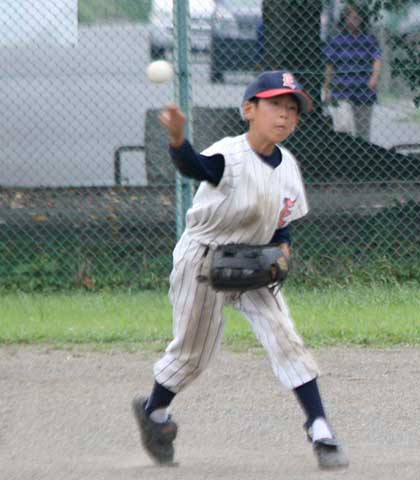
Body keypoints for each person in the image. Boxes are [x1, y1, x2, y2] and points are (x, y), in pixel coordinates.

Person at [131, 70, 349, 471]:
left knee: (285, 337)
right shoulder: (230, 155)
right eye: (275, 105)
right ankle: (155, 413)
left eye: (292, 109)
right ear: (249, 109)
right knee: (193, 353)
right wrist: (177, 138)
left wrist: (283, 248)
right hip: (202, 260)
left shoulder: (288, 167)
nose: (284, 115)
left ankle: (319, 427)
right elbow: (194, 167)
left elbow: (282, 221)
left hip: (255, 261)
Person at [323, 3, 382, 142]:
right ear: (344, 19)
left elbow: (377, 59)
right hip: (341, 91)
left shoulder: (369, 40)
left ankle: (363, 154)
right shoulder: (337, 41)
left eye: (357, 17)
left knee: (363, 133)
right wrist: (327, 87)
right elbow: (330, 65)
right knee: (343, 127)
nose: (354, 20)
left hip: (364, 91)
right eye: (350, 17)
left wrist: (374, 77)